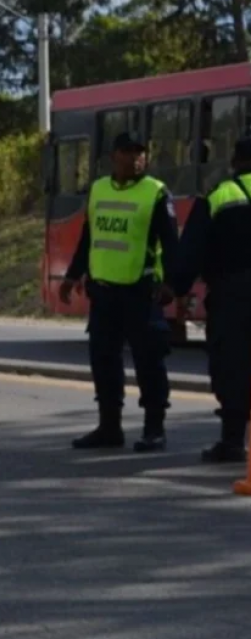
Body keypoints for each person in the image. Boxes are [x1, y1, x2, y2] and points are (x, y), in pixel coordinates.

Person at [59, 131, 179, 453]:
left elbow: (171, 244)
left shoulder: (155, 193)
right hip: (103, 293)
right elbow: (89, 238)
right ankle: (109, 427)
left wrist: (172, 285)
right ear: (114, 156)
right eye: (129, 152)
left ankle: (154, 429)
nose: (136, 158)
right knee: (103, 361)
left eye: (141, 152)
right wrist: (71, 277)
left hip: (141, 293)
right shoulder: (98, 189)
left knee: (149, 363)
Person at [172, 136, 251, 463]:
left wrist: (176, 289)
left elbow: (191, 251)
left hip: (234, 295)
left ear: (235, 161)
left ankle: (233, 442)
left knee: (231, 364)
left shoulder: (219, 195)